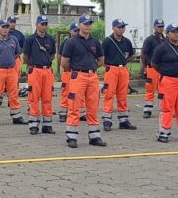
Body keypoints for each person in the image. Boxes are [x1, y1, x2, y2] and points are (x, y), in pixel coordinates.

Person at [61, 15, 107, 148]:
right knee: (74, 106)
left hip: (92, 77)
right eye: (85, 24)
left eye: (90, 24)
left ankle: (94, 137)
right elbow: (64, 63)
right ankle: (71, 137)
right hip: (77, 76)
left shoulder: (95, 42)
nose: (88, 26)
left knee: (93, 107)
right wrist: (77, 70)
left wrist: (91, 69)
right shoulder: (71, 42)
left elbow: (101, 60)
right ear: (79, 25)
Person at [151, 24, 178, 143]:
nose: (176, 33)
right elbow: (155, 64)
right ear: (167, 33)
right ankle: (163, 133)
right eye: (173, 31)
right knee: (167, 107)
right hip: (169, 81)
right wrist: (166, 72)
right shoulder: (161, 48)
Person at [0, 20, 27, 126]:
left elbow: (17, 53)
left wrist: (11, 60)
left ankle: (16, 116)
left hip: (11, 71)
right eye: (3, 27)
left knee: (13, 93)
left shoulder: (14, 40)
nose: (5, 29)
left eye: (7, 27)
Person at [23, 15, 57, 135]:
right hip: (35, 70)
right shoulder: (30, 39)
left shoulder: (51, 39)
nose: (44, 26)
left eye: (45, 24)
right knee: (34, 97)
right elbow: (25, 56)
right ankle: (33, 125)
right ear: (37, 24)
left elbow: (52, 55)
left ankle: (47, 125)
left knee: (47, 97)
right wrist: (32, 65)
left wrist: (45, 62)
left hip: (47, 71)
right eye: (41, 24)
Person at [101, 19, 137, 131]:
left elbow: (130, 55)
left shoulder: (127, 41)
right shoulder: (107, 41)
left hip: (123, 69)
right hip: (111, 69)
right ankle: (107, 120)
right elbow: (101, 57)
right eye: (119, 27)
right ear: (113, 28)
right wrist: (107, 66)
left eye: (123, 27)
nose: (121, 29)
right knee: (109, 95)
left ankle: (123, 120)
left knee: (123, 95)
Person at [58, 22, 84, 123]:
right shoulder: (67, 42)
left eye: (78, 30)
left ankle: (80, 113)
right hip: (68, 71)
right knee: (66, 93)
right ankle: (63, 113)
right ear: (70, 31)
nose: (77, 32)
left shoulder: (81, 42)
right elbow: (60, 56)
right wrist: (66, 68)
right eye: (75, 30)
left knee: (79, 93)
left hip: (77, 72)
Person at [0, 15, 26, 107]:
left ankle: (12, 99)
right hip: (2, 60)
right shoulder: (2, 34)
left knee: (14, 80)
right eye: (11, 22)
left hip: (15, 59)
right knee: (1, 80)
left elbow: (22, 47)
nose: (12, 24)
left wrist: (16, 56)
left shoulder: (19, 34)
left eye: (14, 22)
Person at [140, 19, 165, 118]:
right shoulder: (149, 39)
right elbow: (143, 54)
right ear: (154, 27)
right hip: (152, 68)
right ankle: (147, 110)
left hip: (163, 69)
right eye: (158, 26)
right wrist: (146, 65)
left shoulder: (165, 39)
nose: (160, 28)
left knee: (163, 90)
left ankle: (164, 109)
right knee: (150, 89)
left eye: (162, 26)